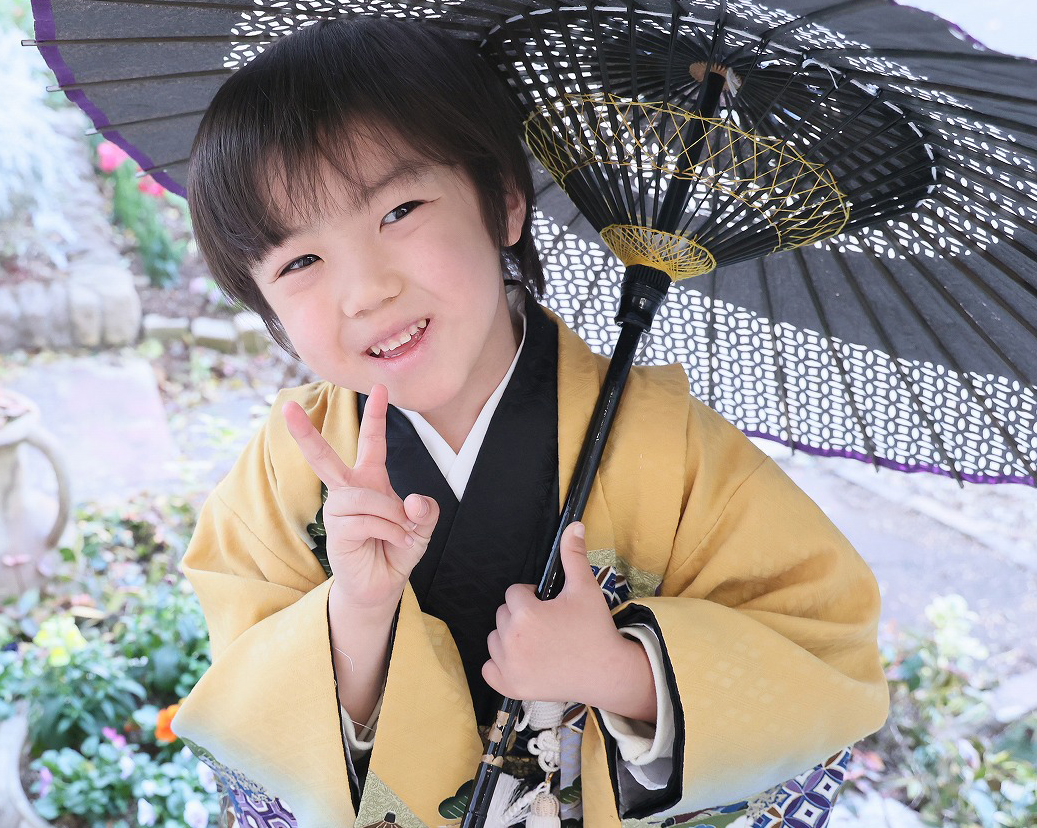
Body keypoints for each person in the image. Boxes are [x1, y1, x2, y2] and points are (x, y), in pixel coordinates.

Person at [170, 16, 889, 828]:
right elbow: (250, 717)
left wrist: (622, 674)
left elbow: (827, 656)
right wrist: (356, 615)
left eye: (399, 211)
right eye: (299, 261)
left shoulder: (669, 447)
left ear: (503, 203)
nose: (365, 291)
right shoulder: (286, 470)